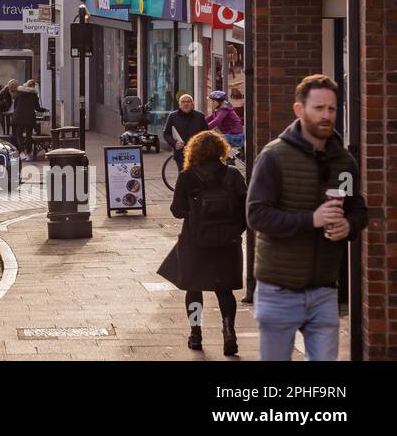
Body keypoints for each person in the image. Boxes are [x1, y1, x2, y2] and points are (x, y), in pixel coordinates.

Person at [247, 74, 368, 362]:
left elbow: (358, 209)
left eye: (332, 109)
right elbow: (256, 215)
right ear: (299, 110)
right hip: (278, 291)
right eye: (319, 108)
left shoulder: (344, 161)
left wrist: (348, 225)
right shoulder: (273, 156)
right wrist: (311, 220)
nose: (327, 115)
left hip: (324, 292)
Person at [157, 130, 248, 355]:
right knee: (225, 290)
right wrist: (236, 230)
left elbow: (177, 212)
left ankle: (196, 333)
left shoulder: (187, 176)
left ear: (193, 151)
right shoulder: (233, 175)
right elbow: (246, 208)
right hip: (227, 242)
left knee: (194, 288)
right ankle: (228, 331)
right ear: (221, 149)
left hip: (195, 241)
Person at [163, 93, 207, 178]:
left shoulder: (200, 116)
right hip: (180, 153)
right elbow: (166, 133)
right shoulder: (172, 116)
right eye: (183, 102)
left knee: (198, 177)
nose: (186, 104)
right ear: (179, 104)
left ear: (192, 104)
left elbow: (206, 134)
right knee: (184, 177)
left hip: (197, 153)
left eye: (188, 102)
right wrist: (174, 143)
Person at [11, 80, 40, 160]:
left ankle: (21, 153)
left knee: (19, 135)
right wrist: (45, 110)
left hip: (18, 117)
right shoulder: (34, 95)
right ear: (33, 87)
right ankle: (28, 153)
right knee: (28, 136)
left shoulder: (18, 94)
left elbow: (15, 106)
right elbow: (37, 108)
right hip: (29, 118)